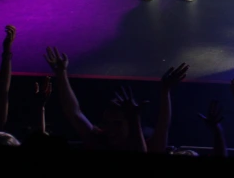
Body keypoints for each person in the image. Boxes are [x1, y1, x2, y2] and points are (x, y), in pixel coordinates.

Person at [43, 46, 188, 153]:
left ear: (130, 123)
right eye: (107, 123)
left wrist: (165, 92)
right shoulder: (99, 140)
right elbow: (74, 112)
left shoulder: (150, 147)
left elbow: (163, 125)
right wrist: (61, 73)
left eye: (117, 123)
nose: (110, 129)